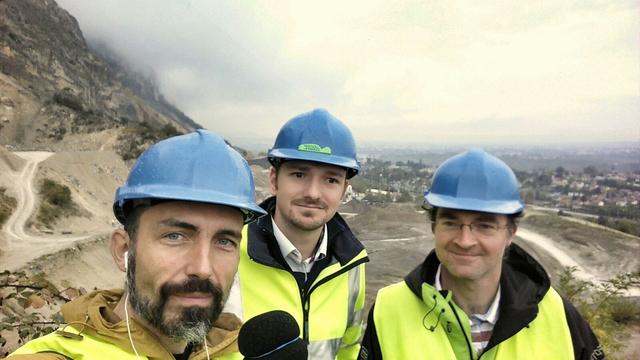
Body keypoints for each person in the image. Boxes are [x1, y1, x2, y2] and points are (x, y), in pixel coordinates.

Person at [10, 129, 267, 359]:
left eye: (224, 241)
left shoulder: (235, 351)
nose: (203, 268)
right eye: (175, 236)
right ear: (123, 249)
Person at [359, 149, 604, 360]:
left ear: (510, 233)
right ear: (434, 226)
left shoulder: (558, 315)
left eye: (484, 225)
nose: (465, 241)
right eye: (451, 223)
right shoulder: (388, 310)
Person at [225, 109, 368, 359]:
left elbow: (349, 348)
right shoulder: (230, 253)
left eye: (331, 180)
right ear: (274, 180)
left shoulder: (352, 264)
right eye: (299, 174)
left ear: (345, 191)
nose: (313, 192)